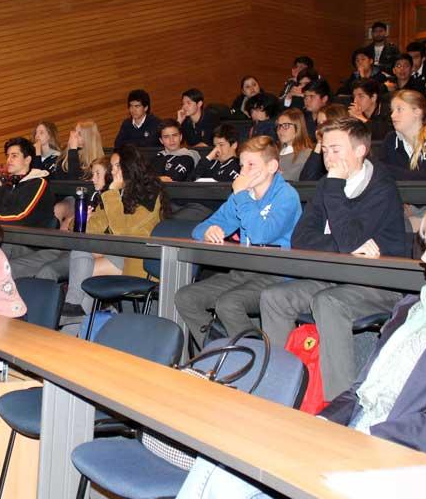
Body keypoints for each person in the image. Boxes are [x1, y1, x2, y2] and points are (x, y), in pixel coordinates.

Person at [164, 195, 426, 499]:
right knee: (223, 467)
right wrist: (321, 425)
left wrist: (364, 438)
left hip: (422, 461)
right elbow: (359, 390)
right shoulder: (413, 308)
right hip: (359, 438)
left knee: (320, 495)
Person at [261, 117, 407, 402]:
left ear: (361, 150)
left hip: (379, 282)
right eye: (325, 149)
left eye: (336, 149)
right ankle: (277, 388)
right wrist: (341, 246)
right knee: (273, 296)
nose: (328, 157)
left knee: (329, 303)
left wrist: (336, 189)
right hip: (335, 276)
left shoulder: (381, 188)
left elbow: (351, 239)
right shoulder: (327, 185)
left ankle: (337, 402)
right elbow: (301, 238)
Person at [173, 136, 302, 342]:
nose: (243, 172)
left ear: (272, 166)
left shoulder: (286, 196)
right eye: (242, 165)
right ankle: (218, 351)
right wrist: (208, 231)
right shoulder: (242, 197)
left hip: (276, 274)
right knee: (186, 297)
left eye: (251, 165)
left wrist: (241, 194)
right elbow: (200, 228)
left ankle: (253, 354)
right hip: (243, 271)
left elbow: (261, 234)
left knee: (228, 303)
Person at [64, 146, 165, 318]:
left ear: (131, 166)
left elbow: (123, 231)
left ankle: (73, 321)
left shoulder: (151, 192)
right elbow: (92, 226)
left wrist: (111, 194)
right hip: (114, 251)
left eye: (118, 166)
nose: (114, 171)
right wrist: (80, 219)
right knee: (80, 249)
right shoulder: (116, 192)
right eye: (112, 167)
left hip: (138, 257)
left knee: (84, 272)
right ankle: (73, 310)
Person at [383, 90, 426, 181]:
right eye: (392, 111)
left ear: (417, 111)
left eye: (399, 109)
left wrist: (384, 170)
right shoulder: (391, 139)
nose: (392, 115)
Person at [0, 137, 54, 227]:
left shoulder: (38, 183)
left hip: (31, 238)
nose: (8, 160)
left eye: (14, 156)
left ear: (27, 160)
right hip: (7, 234)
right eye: (7, 156)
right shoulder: (8, 184)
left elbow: (21, 218)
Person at [298, 103, 349, 181]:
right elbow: (306, 180)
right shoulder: (320, 148)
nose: (319, 128)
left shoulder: (347, 148)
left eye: (324, 123)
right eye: (318, 124)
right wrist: (319, 143)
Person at [275, 108, 313, 181]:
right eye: (279, 126)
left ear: (298, 128)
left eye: (286, 126)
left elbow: (288, 178)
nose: (280, 130)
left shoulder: (306, 154)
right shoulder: (274, 151)